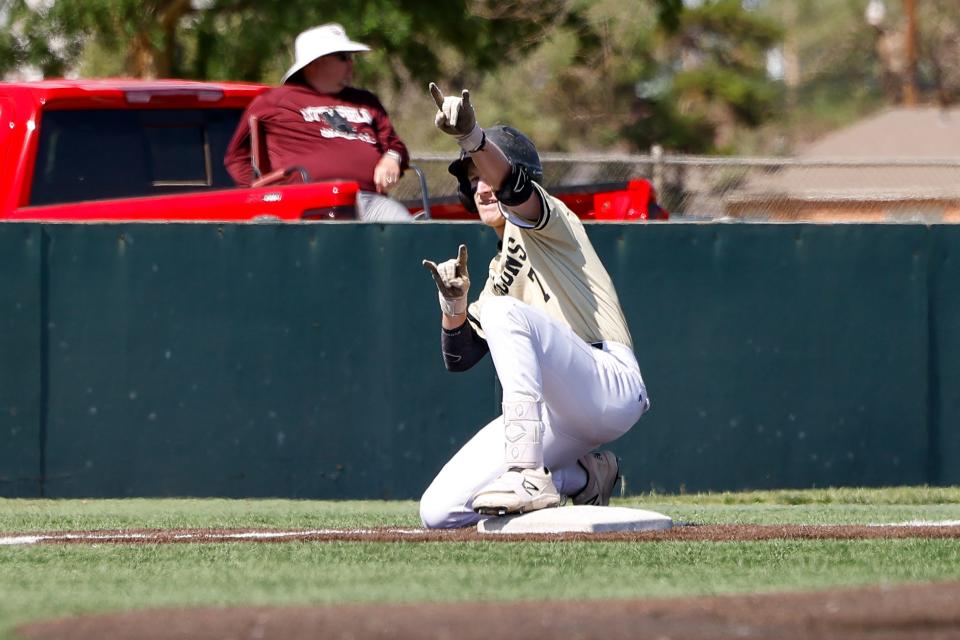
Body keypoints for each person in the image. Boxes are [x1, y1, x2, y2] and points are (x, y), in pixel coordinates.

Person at [418, 84, 651, 529]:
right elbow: (460, 357)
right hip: (556, 415)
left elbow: (512, 186)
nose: (480, 188)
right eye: (472, 181)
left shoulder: (549, 221)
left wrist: (472, 139)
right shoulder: (491, 278)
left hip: (608, 381)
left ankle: (527, 473)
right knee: (439, 511)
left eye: (483, 175)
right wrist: (455, 305)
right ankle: (582, 476)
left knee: (507, 313)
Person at [224, 23, 413, 223]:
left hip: (369, 199)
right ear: (315, 63)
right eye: (343, 57)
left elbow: (395, 145)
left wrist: (391, 158)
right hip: (307, 206)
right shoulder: (273, 100)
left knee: (410, 234)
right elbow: (236, 157)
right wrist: (260, 200)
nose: (351, 63)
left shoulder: (367, 100)